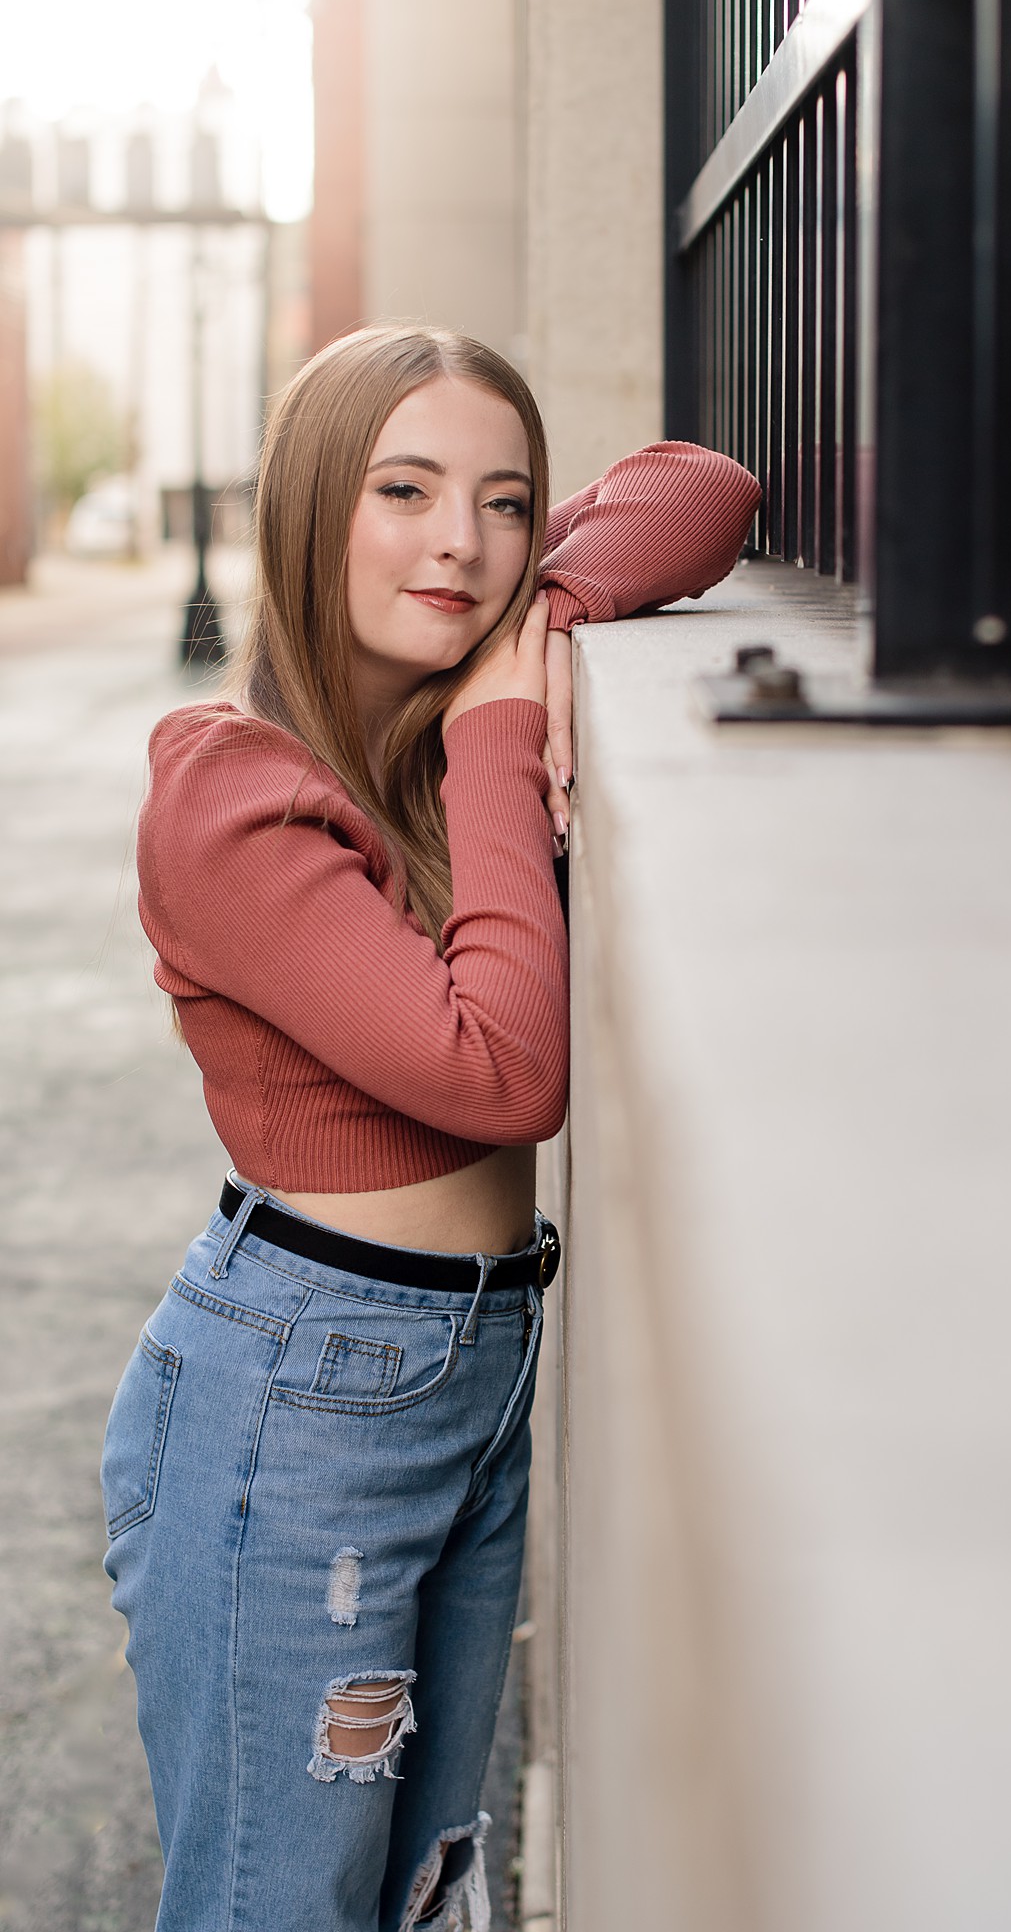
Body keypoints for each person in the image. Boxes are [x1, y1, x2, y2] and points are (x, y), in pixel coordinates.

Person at [100, 324, 760, 1932]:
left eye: (506, 500)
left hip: (460, 1375)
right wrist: (492, 736)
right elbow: (498, 1075)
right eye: (402, 491)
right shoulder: (230, 793)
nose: (458, 540)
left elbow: (708, 491)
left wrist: (516, 638)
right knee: (283, 1906)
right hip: (297, 1405)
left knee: (418, 1890)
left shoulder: (422, 725)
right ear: (309, 510)